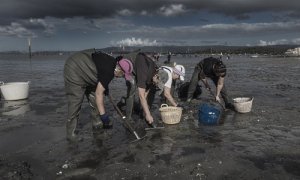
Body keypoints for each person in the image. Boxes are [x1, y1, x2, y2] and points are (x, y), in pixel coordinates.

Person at [64, 49, 124, 142]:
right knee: (75, 102)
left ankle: (96, 122)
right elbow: (99, 94)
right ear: (119, 68)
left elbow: (102, 74)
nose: (121, 77)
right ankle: (70, 134)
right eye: (122, 75)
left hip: (89, 74)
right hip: (74, 68)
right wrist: (104, 117)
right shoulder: (110, 70)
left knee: (94, 100)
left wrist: (105, 87)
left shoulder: (112, 63)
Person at [135, 52, 168, 125]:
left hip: (142, 71)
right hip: (130, 68)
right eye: (157, 83)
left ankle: (142, 113)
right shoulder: (144, 71)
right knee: (132, 92)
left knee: (144, 99)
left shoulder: (154, 72)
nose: (156, 85)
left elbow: (146, 93)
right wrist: (148, 114)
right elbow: (141, 95)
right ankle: (129, 118)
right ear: (156, 76)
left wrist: (145, 111)